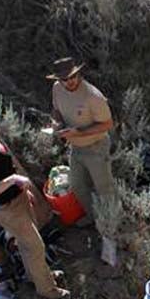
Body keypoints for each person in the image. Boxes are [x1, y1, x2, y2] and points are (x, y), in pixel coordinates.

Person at [0, 109, 69, 299]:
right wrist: (13, 180)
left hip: (19, 199)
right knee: (35, 247)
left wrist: (23, 190)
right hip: (8, 208)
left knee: (27, 245)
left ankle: (37, 278)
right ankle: (48, 290)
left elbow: (6, 167)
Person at [47, 57, 116, 226]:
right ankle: (94, 218)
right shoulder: (57, 89)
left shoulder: (93, 96)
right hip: (76, 147)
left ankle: (112, 224)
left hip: (96, 147)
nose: (70, 81)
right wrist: (56, 124)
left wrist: (79, 132)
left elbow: (107, 124)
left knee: (104, 189)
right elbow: (56, 110)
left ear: (78, 74)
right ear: (59, 80)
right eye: (65, 79)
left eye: (73, 76)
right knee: (77, 186)